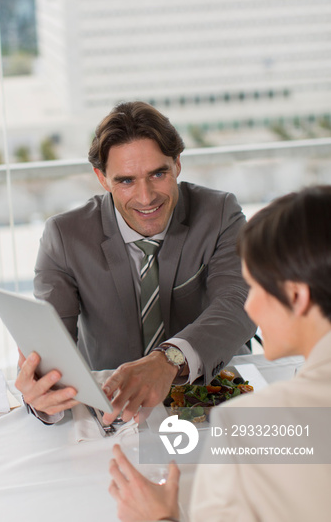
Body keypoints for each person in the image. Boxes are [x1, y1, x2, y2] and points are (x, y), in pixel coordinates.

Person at [16, 101, 255, 424]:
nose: (146, 197)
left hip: (210, 390)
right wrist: (44, 397)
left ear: (177, 165)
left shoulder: (220, 212)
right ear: (102, 178)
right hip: (115, 405)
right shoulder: (65, 235)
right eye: (126, 180)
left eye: (158, 174)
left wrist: (169, 359)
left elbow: (239, 303)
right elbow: (50, 343)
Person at [109, 185, 331, 522]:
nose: (250, 306)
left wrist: (160, 517)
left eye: (257, 287)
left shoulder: (246, 427)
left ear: (298, 297)